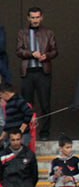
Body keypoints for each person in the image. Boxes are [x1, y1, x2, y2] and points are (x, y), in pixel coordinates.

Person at [15, 7, 57, 139]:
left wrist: (46, 56)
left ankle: (44, 133)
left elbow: (55, 51)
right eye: (32, 17)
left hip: (43, 72)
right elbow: (19, 51)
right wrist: (32, 54)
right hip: (27, 72)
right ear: (28, 18)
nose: (35, 20)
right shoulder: (22, 33)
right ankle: (26, 132)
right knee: (27, 104)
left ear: (41, 17)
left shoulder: (48, 33)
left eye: (37, 17)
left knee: (45, 104)